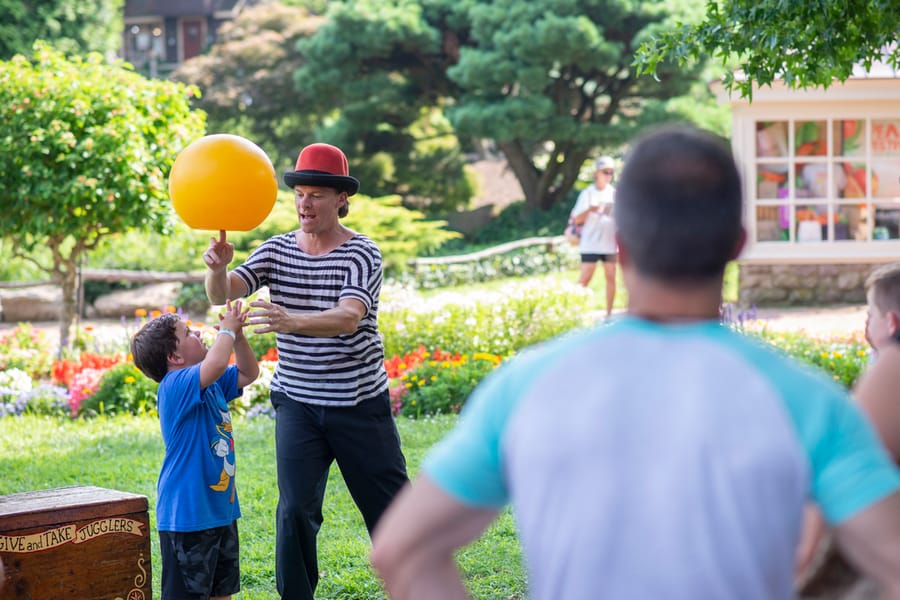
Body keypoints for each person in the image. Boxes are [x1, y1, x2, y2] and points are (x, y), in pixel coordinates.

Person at [369, 125, 900, 600]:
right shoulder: (809, 400)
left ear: (620, 247)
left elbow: (402, 550)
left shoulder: (526, 385)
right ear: (737, 245)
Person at [202, 142, 409, 600]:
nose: (305, 203)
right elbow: (224, 293)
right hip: (297, 402)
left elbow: (349, 316)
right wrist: (217, 269)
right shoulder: (276, 250)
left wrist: (288, 320)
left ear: (340, 199)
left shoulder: (361, 253)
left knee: (390, 509)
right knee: (295, 510)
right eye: (300, 194)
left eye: (316, 194)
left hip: (358, 405)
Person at [131, 300, 259, 600]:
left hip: (220, 511)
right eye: (188, 333)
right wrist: (226, 329)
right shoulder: (175, 384)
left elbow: (248, 373)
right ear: (174, 356)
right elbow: (215, 364)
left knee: (221, 592)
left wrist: (237, 336)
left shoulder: (210, 383)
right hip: (187, 517)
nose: (198, 334)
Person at [570, 155, 618, 317]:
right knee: (585, 278)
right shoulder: (587, 194)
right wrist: (591, 209)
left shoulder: (614, 193)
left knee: (611, 277)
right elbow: (577, 219)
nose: (608, 175)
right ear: (597, 172)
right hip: (590, 243)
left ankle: (609, 315)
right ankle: (574, 312)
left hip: (609, 244)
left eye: (611, 172)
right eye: (606, 172)